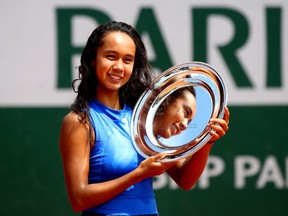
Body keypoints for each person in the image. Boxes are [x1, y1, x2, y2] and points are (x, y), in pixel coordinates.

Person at [59, 21, 230, 216]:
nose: (118, 67)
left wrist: (208, 140)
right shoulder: (79, 122)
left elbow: (185, 180)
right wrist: (139, 174)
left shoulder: (142, 120)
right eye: (111, 57)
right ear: (92, 59)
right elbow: (79, 199)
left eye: (127, 60)